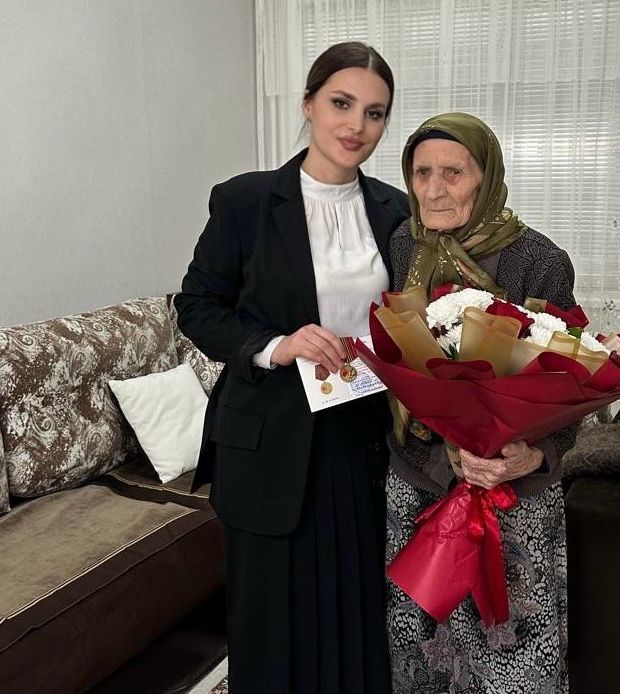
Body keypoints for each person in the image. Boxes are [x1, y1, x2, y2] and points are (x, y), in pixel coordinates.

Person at [175, 42, 409, 693]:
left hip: (363, 439)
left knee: (355, 612)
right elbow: (196, 308)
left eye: (374, 113)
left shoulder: (396, 211)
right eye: (341, 103)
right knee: (272, 624)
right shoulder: (245, 201)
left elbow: (409, 317)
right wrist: (276, 344)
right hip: (270, 438)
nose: (356, 126)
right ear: (308, 104)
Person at [386, 112, 575, 693]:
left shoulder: (540, 261)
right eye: (421, 173)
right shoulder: (403, 245)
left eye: (454, 173)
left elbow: (574, 383)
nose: (434, 190)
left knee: (512, 657)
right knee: (422, 649)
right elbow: (400, 357)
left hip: (510, 493)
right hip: (419, 481)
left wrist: (534, 454)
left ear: (486, 176)